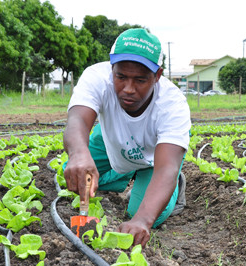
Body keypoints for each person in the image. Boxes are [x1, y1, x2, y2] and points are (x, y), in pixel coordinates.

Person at [63, 28, 191, 247]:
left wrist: (142, 220)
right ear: (111, 69)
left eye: (140, 80)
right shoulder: (96, 77)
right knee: (76, 175)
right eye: (120, 77)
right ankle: (127, 172)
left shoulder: (173, 105)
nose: (128, 89)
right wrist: (79, 154)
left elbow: (166, 168)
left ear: (157, 76)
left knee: (141, 213)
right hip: (110, 138)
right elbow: (77, 120)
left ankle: (168, 184)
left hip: (155, 156)